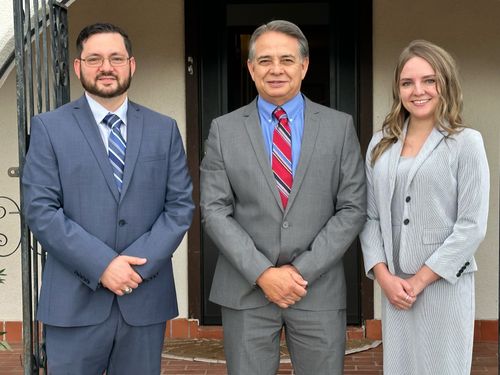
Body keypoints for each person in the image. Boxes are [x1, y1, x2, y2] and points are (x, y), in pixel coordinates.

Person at [22, 23, 194, 374]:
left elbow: (179, 206)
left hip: (143, 300)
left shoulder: (164, 128)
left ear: (132, 65)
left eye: (116, 58)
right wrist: (103, 265)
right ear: (77, 66)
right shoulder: (48, 127)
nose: (106, 67)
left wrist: (133, 270)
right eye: (94, 58)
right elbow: (41, 210)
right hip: (73, 301)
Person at [200, 20, 366, 375]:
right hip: (246, 290)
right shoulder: (223, 130)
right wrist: (263, 273)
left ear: (304, 66)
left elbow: (352, 208)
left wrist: (298, 271)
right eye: (265, 60)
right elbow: (214, 210)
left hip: (317, 289)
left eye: (287, 60)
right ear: (250, 67)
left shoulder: (339, 127)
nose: (276, 69)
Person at [360, 40, 489, 374]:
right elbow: (369, 216)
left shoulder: (466, 142)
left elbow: (471, 225)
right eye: (407, 82)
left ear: (445, 83)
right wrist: (384, 276)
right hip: (394, 286)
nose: (418, 90)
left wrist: (419, 280)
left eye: (429, 80)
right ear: (398, 89)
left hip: (442, 282)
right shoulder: (380, 143)